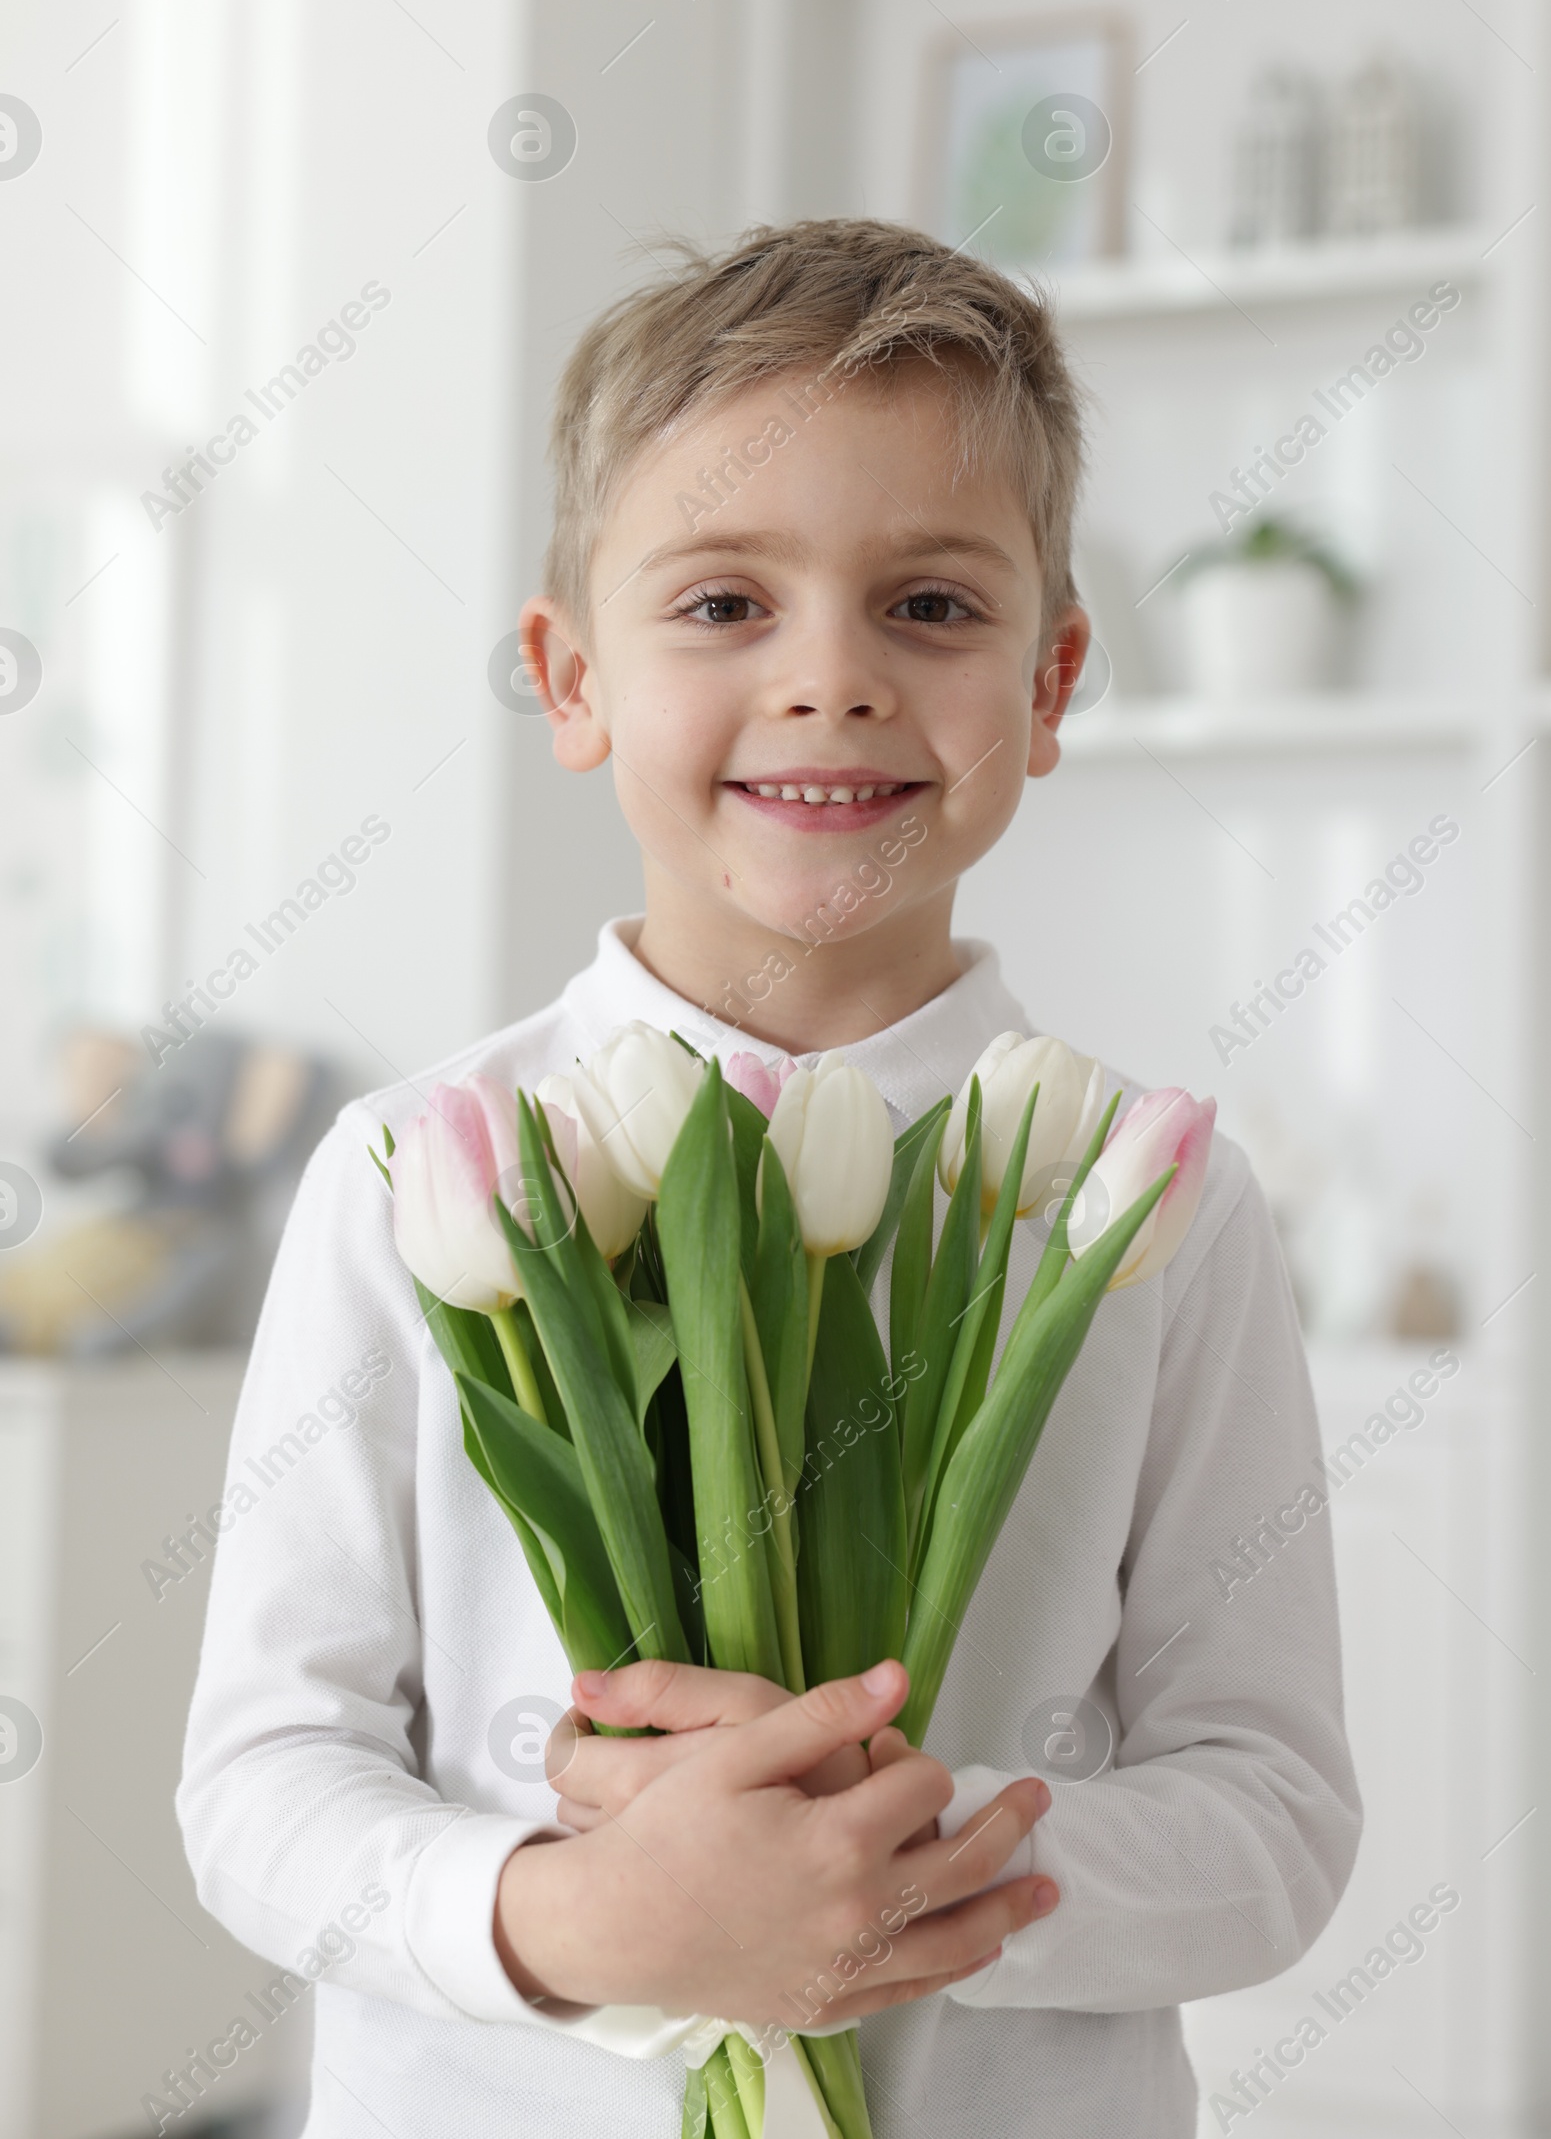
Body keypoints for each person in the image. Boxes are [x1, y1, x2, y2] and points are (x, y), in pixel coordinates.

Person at [178, 219, 1360, 2138]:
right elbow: (263, 1782)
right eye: (725, 605)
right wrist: (576, 1914)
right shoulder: (410, 1172)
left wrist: (898, 1857)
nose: (833, 680)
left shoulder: (1157, 1205)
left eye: (933, 609)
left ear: (1051, 687)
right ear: (574, 683)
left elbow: (1275, 1816)